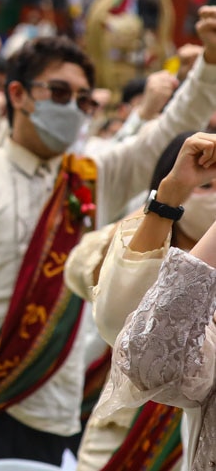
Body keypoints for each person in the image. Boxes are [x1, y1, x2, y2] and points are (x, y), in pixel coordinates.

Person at [0, 16, 216, 471]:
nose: (74, 107)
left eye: (83, 99)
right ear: (18, 94)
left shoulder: (89, 176)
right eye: (59, 94)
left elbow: (169, 137)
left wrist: (209, 63)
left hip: (50, 412)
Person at [65, 131, 216, 470]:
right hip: (126, 444)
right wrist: (166, 200)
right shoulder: (145, 235)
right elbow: (126, 323)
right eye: (206, 185)